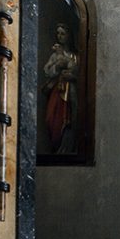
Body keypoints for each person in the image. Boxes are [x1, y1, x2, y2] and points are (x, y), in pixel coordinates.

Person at [42, 23, 79, 154]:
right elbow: (47, 71)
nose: (60, 36)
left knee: (67, 119)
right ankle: (55, 147)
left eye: (63, 33)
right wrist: (57, 65)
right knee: (51, 119)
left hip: (70, 92)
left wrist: (71, 74)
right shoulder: (55, 55)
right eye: (58, 33)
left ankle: (65, 149)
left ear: (69, 36)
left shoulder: (74, 55)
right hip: (57, 92)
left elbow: (78, 72)